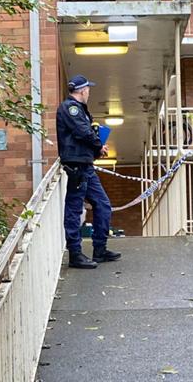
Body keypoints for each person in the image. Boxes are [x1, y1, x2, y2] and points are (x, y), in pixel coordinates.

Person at [56, 75, 122, 269]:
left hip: (85, 164)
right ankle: (75, 253)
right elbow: (82, 132)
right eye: (88, 90)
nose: (89, 93)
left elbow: (85, 133)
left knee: (103, 204)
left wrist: (95, 149)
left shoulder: (78, 110)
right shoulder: (71, 108)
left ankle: (100, 249)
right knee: (74, 208)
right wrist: (98, 146)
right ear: (83, 90)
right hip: (77, 164)